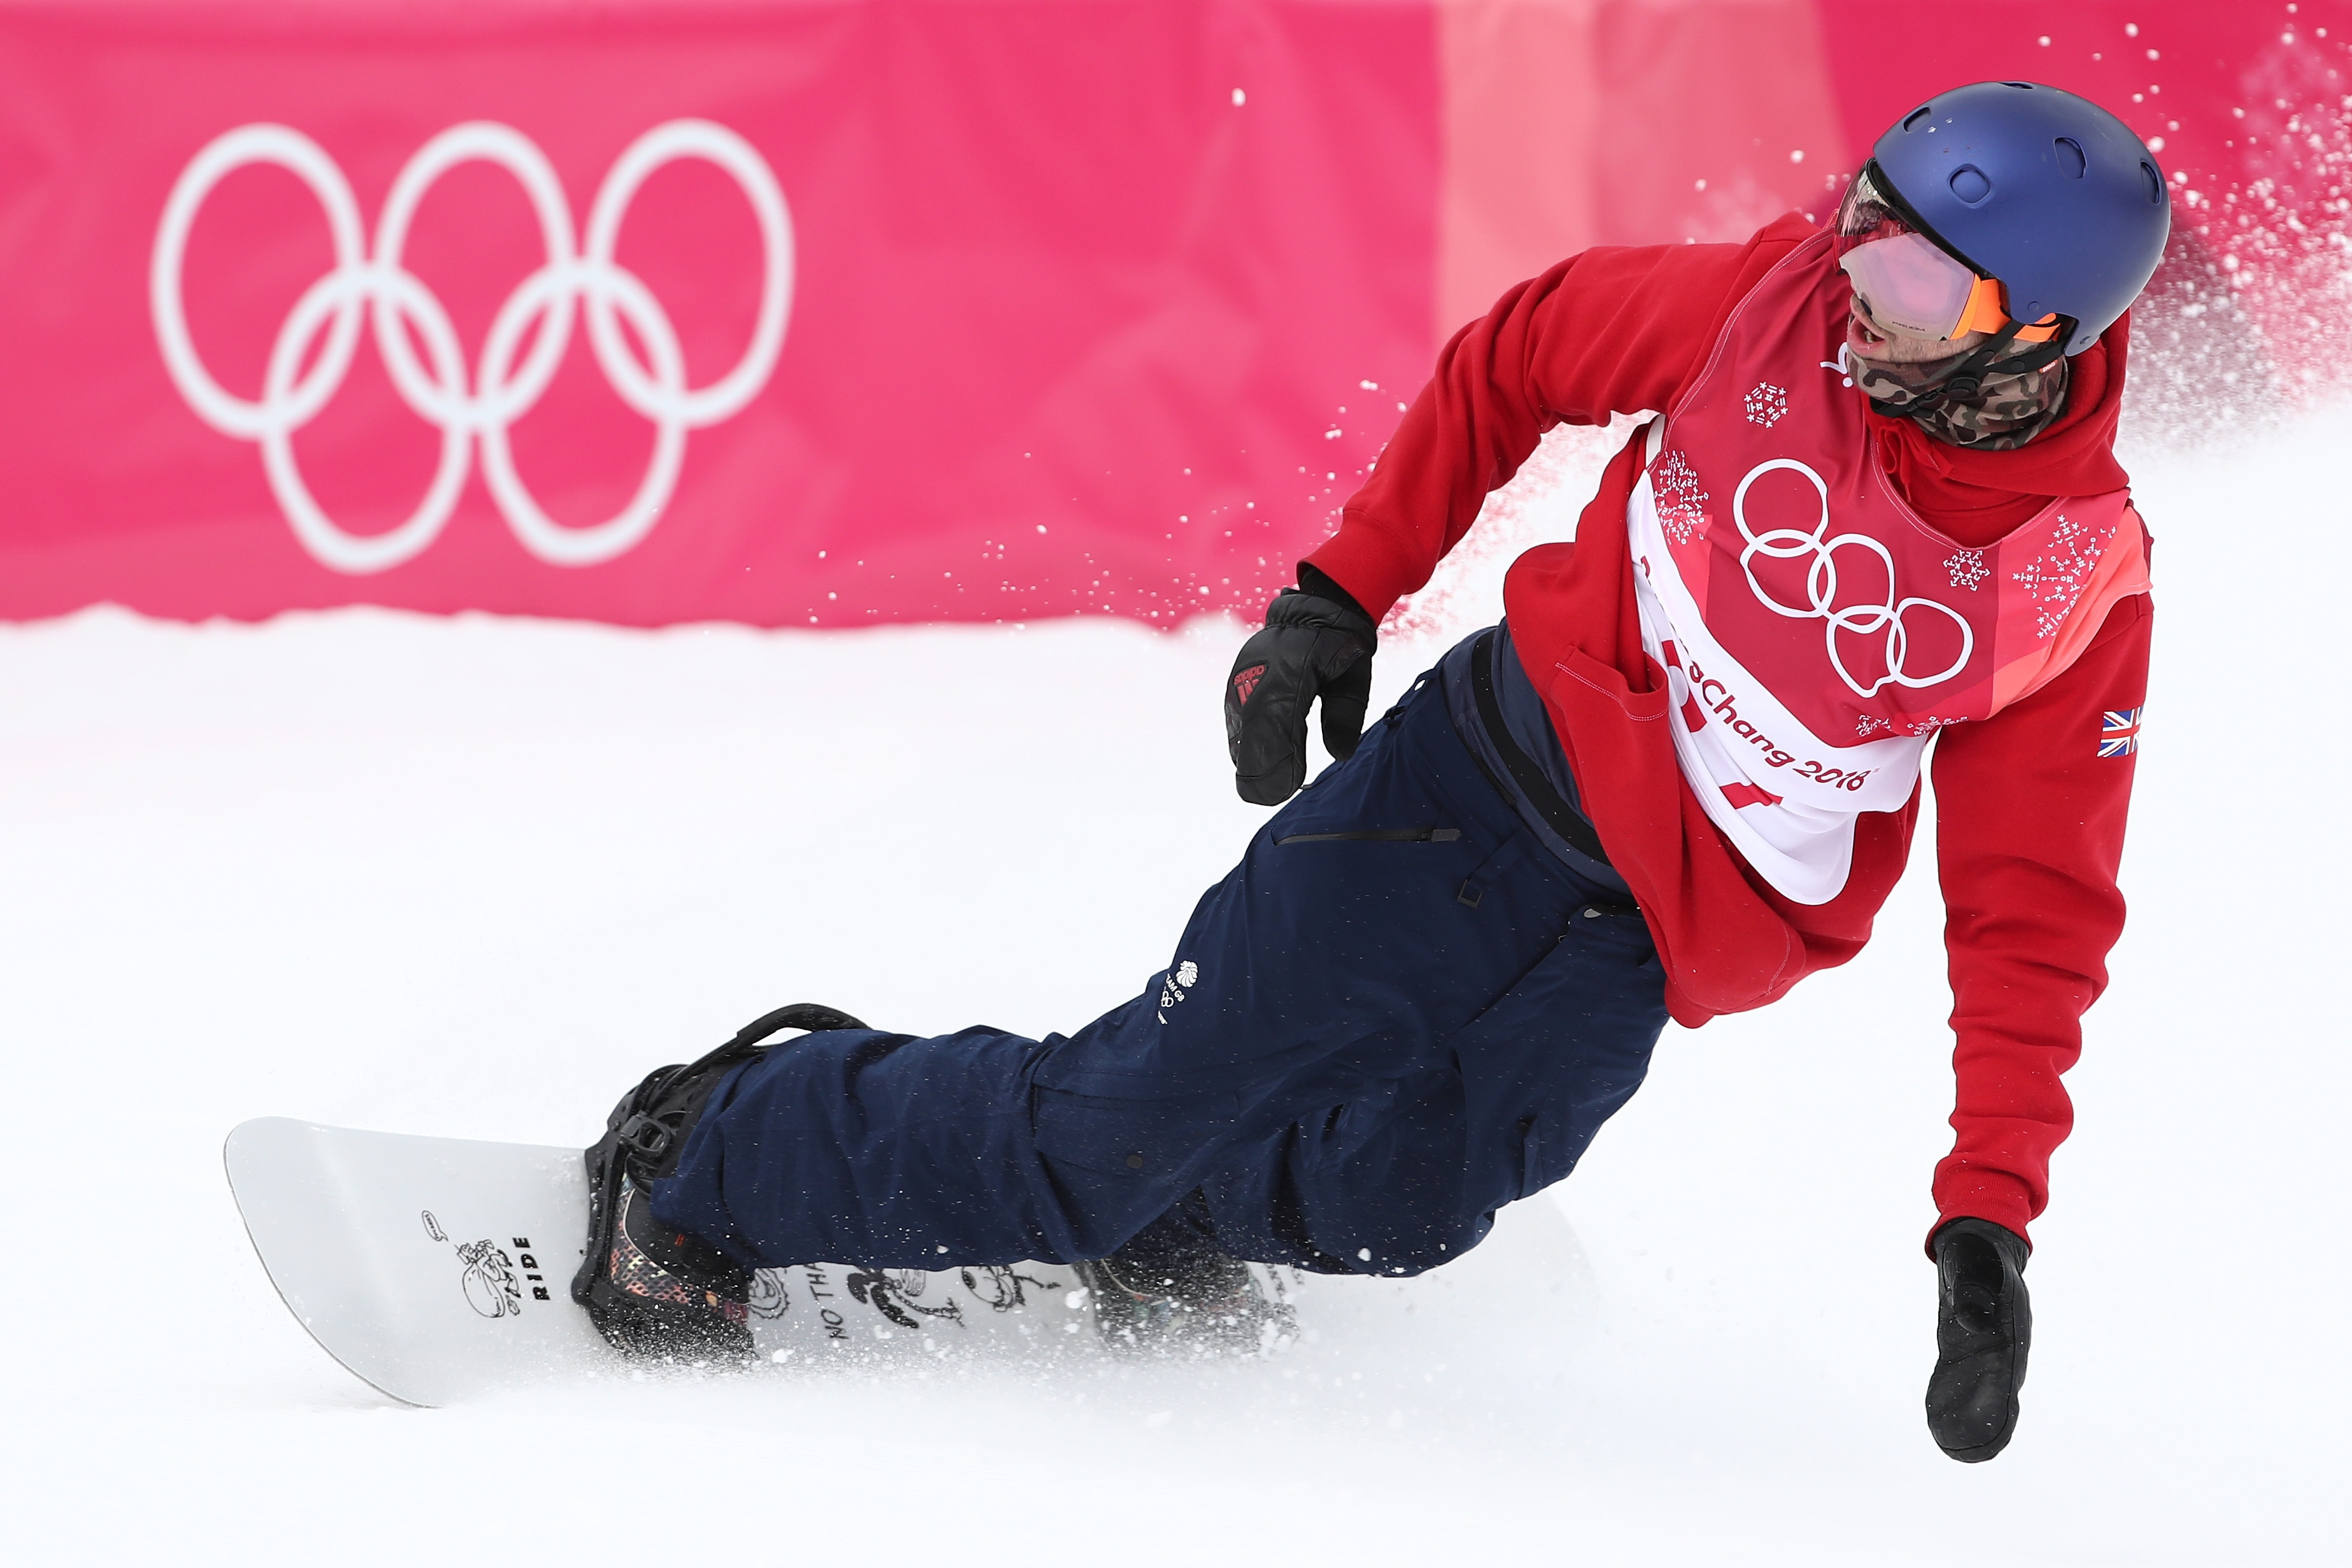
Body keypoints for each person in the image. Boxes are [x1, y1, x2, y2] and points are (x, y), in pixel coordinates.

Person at [570, 81, 2169, 1464]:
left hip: (1635, 940)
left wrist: (1987, 1219)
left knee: (1407, 1208)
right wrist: (1343, 592)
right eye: (1862, 236)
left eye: (1909, 280)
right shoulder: (1772, 311)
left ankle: (1167, 1222)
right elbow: (1525, 351)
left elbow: (2032, 919)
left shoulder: (2064, 589)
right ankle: (712, 1155)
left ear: (2030, 337)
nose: (1856, 294)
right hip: (1470, 784)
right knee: (1103, 1132)